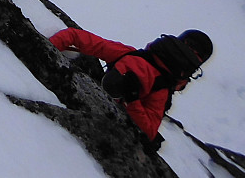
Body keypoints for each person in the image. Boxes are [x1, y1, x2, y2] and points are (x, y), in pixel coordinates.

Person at [49, 27, 213, 147]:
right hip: (105, 130)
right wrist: (133, 100)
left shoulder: (130, 54)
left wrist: (46, 48)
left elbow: (75, 36)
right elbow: (149, 131)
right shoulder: (161, 89)